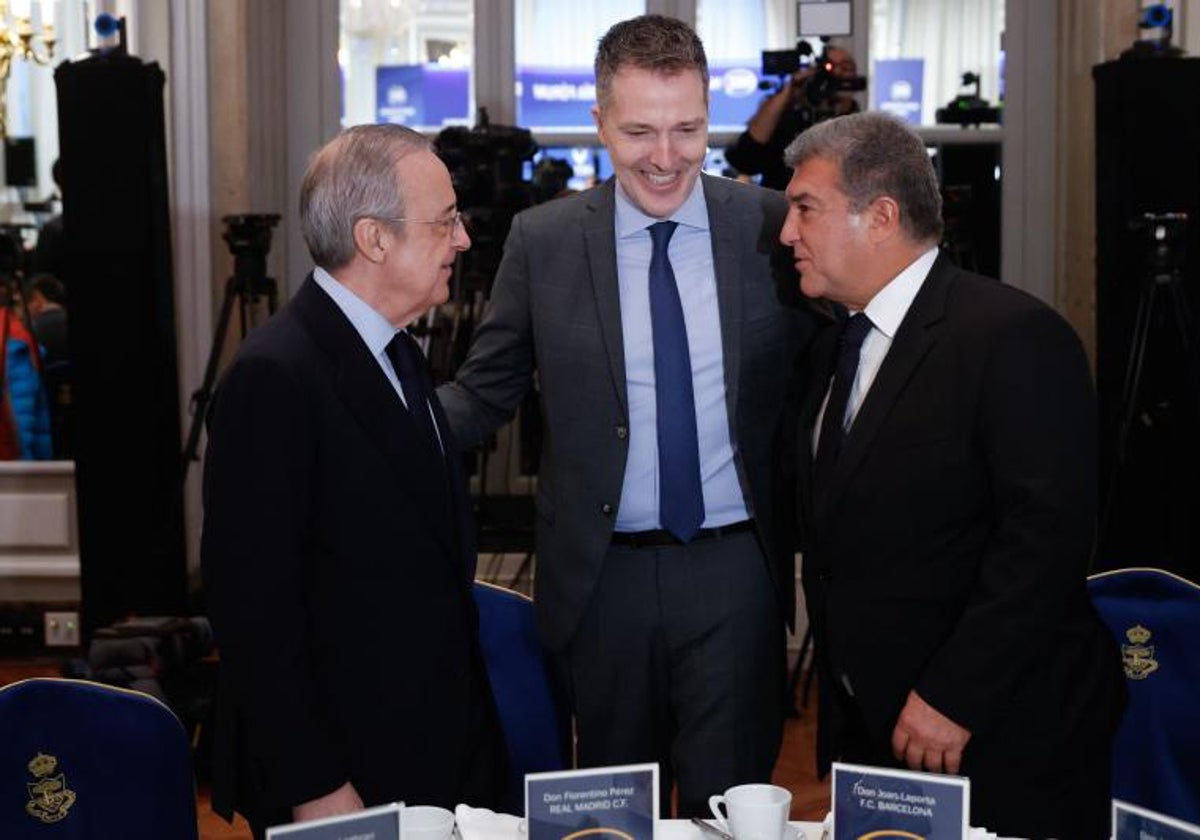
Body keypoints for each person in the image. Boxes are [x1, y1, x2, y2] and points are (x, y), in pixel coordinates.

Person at [437, 14, 818, 816]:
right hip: (597, 580)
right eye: (640, 130)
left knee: (734, 814)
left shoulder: (769, 226)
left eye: (688, 129)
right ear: (599, 122)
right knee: (613, 819)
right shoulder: (541, 242)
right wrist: (376, 422)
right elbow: (484, 389)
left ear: (710, 113)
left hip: (734, 574)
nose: (667, 156)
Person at [780, 112, 1124, 838]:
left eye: (803, 208)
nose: (787, 233)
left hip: (996, 733)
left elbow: (1048, 540)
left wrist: (953, 696)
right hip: (876, 733)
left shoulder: (1013, 338)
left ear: (880, 216)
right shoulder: (832, 349)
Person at [201, 124, 507, 837]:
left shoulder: (394, 348)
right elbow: (254, 611)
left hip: (428, 747)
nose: (462, 240)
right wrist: (314, 783)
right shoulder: (275, 376)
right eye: (446, 220)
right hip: (344, 773)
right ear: (374, 238)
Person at [725, 45, 860, 190]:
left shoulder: (857, 124)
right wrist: (788, 92)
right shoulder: (785, 114)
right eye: (829, 67)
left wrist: (842, 105)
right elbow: (745, 160)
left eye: (846, 68)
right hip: (781, 203)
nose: (836, 73)